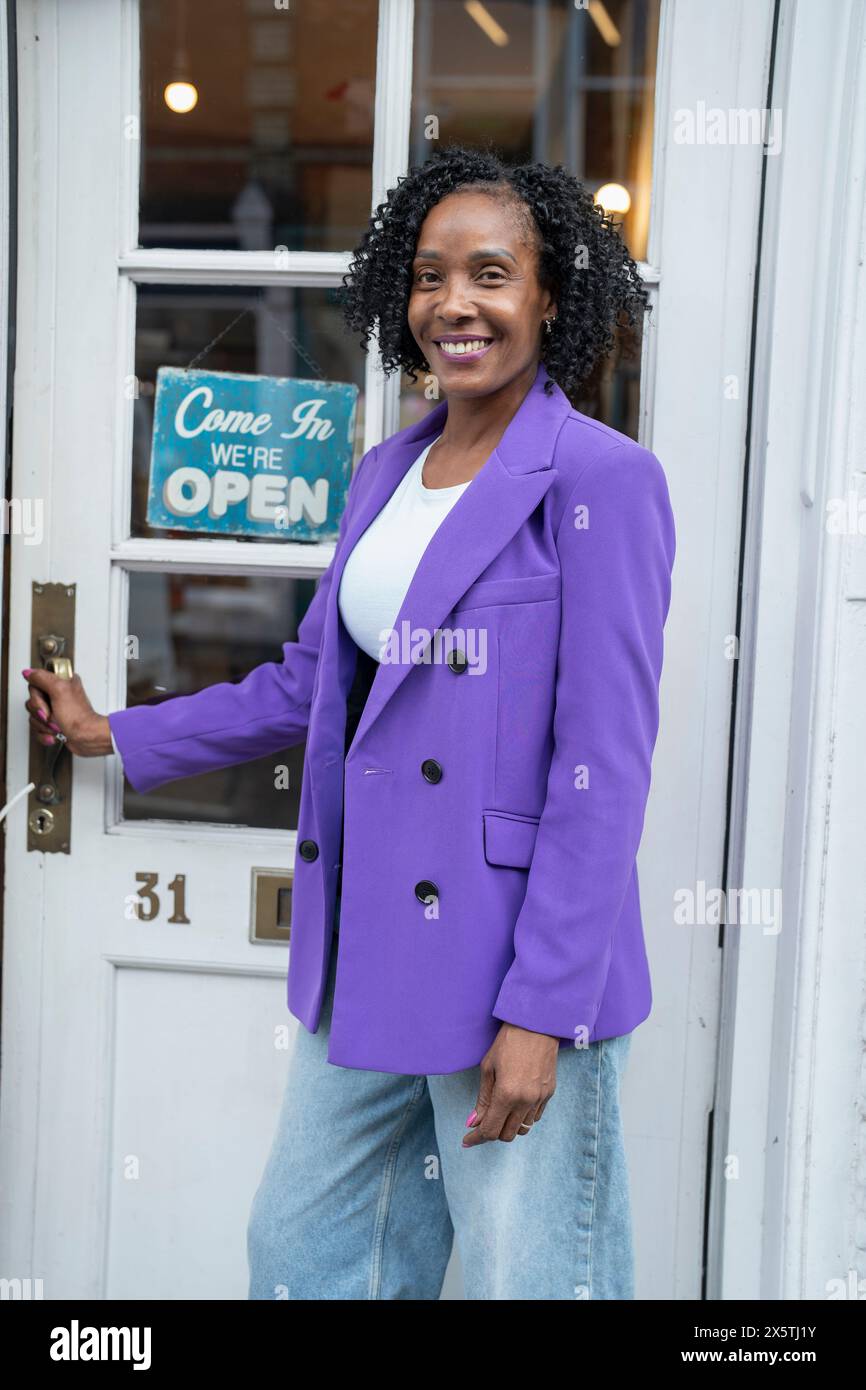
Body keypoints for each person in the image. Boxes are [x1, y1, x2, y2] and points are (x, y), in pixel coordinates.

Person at [23, 145, 676, 1300]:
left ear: (549, 297)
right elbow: (306, 685)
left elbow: (602, 764)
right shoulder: (385, 472)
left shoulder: (598, 478)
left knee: (538, 1278)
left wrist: (540, 1009)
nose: (454, 304)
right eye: (428, 276)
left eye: (489, 274)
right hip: (367, 946)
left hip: (512, 961)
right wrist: (117, 736)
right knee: (308, 1252)